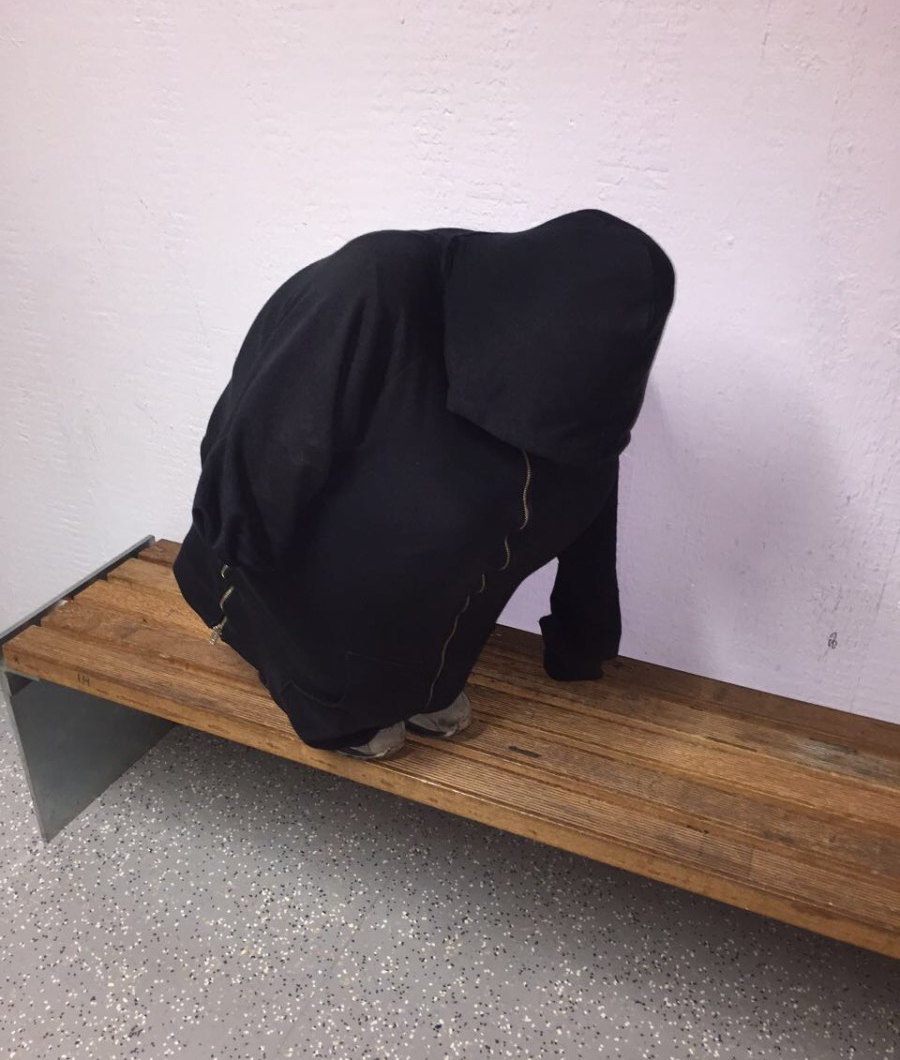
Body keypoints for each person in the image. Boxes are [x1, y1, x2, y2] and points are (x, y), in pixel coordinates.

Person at [174, 209, 675, 760]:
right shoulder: (373, 287)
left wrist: (582, 643)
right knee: (403, 504)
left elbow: (593, 506)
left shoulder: (585, 391)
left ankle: (409, 680)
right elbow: (261, 458)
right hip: (289, 578)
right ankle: (325, 687)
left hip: (429, 619)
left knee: (528, 493)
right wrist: (238, 573)